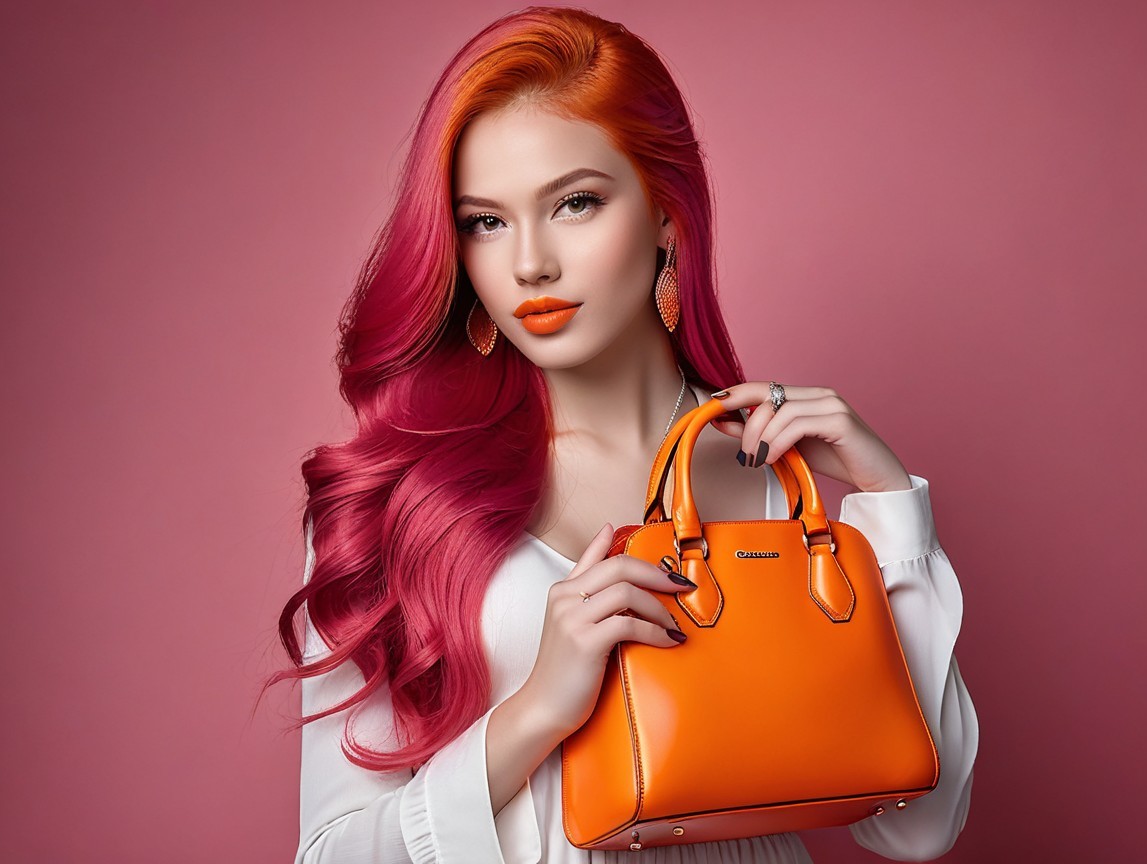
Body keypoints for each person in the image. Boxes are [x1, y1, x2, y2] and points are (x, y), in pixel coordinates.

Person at [274, 7, 978, 862]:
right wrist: (537, 712)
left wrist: (890, 509)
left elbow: (917, 824)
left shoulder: (774, 482)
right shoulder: (397, 504)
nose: (529, 261)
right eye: (485, 221)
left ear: (666, 219)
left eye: (574, 202)